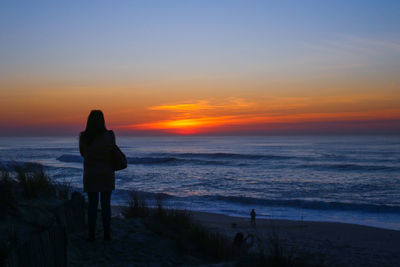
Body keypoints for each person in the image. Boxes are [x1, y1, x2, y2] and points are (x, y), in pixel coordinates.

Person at [79, 110, 116, 241]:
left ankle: (91, 235)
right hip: (106, 173)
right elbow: (112, 151)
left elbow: (82, 153)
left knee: (92, 205)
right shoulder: (110, 135)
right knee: (106, 205)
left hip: (91, 174)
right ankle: (107, 234)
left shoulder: (83, 136)